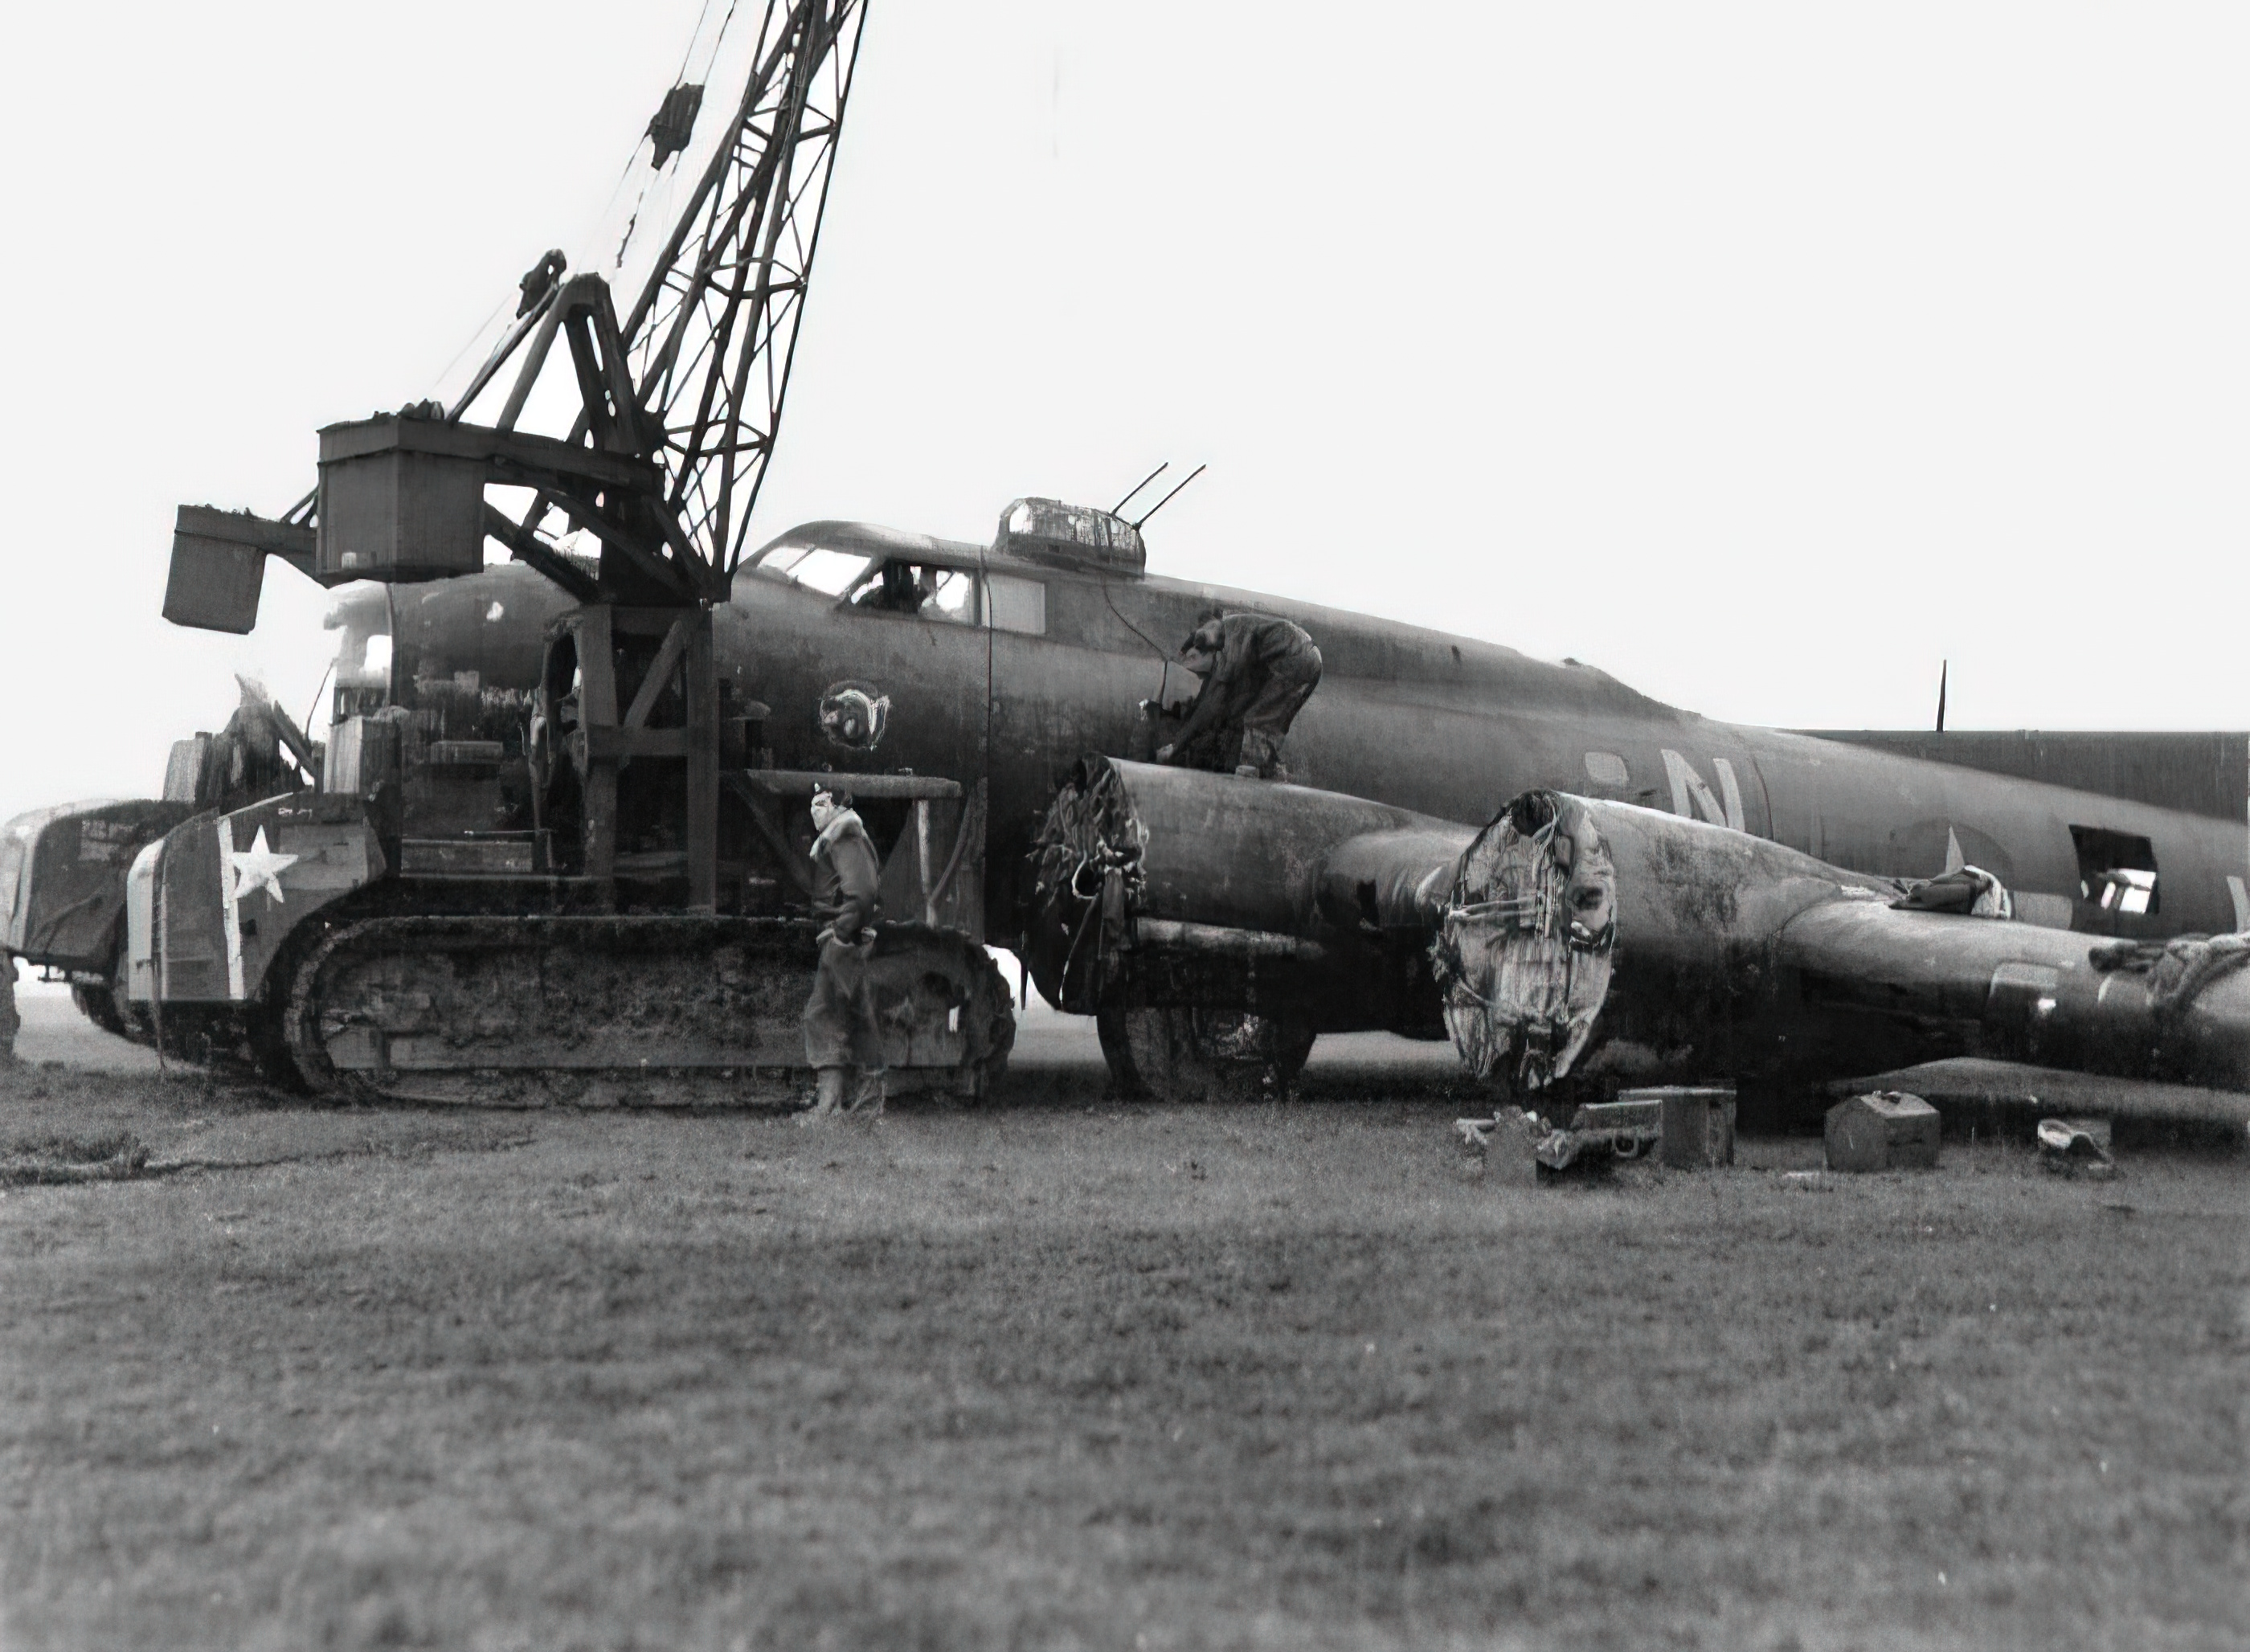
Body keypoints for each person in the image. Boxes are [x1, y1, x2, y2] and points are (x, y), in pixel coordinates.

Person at [800, 787, 886, 1120]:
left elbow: (863, 893)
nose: (814, 810)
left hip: (844, 940)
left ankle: (830, 1108)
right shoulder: (844, 834)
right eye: (812, 804)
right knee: (855, 1017)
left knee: (824, 1014)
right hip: (849, 938)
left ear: (837, 806)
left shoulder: (843, 836)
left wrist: (839, 936)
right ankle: (862, 1110)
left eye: (820, 804)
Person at [1156, 612, 1323, 779]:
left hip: (1294, 655)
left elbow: (1211, 705)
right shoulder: (1235, 628)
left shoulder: (1230, 644)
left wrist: (1176, 747)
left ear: (1209, 652)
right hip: (1309, 657)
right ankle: (1268, 768)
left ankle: (1252, 769)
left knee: (1260, 718)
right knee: (1272, 716)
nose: (1200, 675)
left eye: (1193, 660)